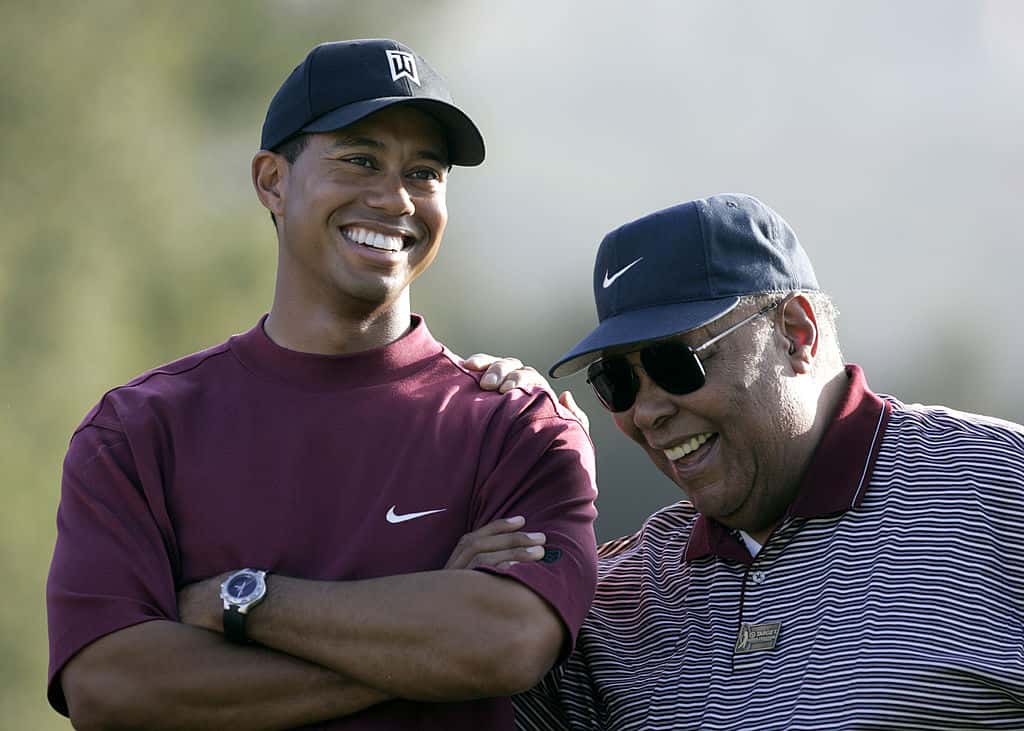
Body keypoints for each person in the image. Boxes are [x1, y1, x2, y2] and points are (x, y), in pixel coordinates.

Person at [46, 39, 598, 730]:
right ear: (272, 181)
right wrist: (427, 647)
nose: (395, 198)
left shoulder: (518, 426)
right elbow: (109, 686)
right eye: (360, 160)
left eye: (424, 172)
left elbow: (510, 641)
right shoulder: (137, 430)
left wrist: (240, 603)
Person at [499, 194, 1024, 729]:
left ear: (797, 333)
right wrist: (480, 434)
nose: (648, 411)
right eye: (618, 382)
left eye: (675, 362)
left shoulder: (1002, 484)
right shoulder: (617, 598)